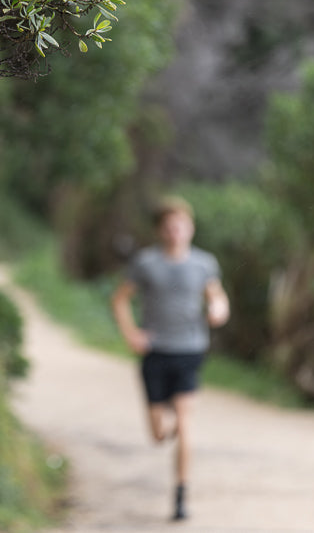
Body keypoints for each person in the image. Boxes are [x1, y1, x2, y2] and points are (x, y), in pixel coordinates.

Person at [110, 195, 230, 521]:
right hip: (155, 353)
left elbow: (216, 295)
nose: (176, 231)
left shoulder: (204, 263)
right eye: (170, 226)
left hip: (190, 350)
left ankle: (180, 495)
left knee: (186, 420)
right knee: (158, 434)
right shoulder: (146, 264)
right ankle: (171, 422)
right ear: (161, 231)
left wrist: (219, 309)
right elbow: (120, 299)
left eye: (182, 225)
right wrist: (131, 334)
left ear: (190, 229)